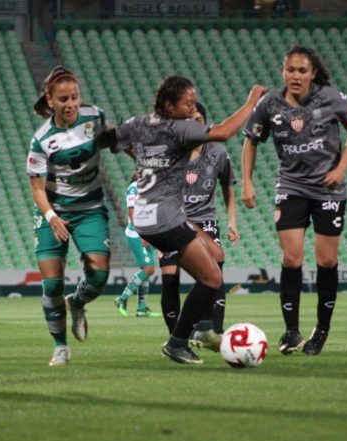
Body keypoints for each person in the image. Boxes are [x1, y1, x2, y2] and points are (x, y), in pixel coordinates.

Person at [111, 75, 265, 364]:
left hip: (163, 217)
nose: (193, 112)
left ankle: (201, 329)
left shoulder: (148, 126)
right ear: (170, 106)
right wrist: (252, 101)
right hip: (165, 219)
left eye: (196, 107)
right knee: (210, 278)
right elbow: (224, 132)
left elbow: (114, 139)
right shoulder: (178, 130)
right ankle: (178, 340)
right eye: (188, 105)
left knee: (216, 255)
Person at [242, 44, 347, 356]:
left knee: (327, 260)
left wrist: (340, 169)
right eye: (290, 70)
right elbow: (251, 141)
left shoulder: (331, 97)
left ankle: (321, 330)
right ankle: (291, 331)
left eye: (302, 70)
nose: (295, 76)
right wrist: (247, 182)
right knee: (292, 258)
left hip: (328, 189)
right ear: (282, 71)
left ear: (313, 73)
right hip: (291, 186)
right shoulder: (270, 104)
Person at [27, 65, 112, 367]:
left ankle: (76, 303)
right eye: (63, 99)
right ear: (50, 101)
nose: (71, 104)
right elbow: (37, 189)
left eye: (74, 97)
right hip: (54, 211)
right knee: (52, 284)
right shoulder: (41, 139)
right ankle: (60, 347)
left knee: (99, 275)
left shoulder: (95, 117)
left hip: (90, 209)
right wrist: (51, 216)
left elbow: (114, 140)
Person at [158, 102, 240, 352]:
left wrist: (232, 221)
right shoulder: (169, 153)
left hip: (205, 221)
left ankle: (212, 328)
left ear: (206, 123)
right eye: (189, 120)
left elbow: (228, 186)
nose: (194, 124)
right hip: (173, 221)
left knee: (215, 270)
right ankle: (177, 337)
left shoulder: (217, 153)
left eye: (198, 120)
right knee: (169, 277)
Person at [114, 173, 162, 318]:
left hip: (147, 233)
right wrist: (142, 234)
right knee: (149, 269)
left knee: (146, 269)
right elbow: (132, 213)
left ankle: (142, 308)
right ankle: (122, 298)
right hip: (137, 233)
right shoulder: (133, 188)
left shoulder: (146, 189)